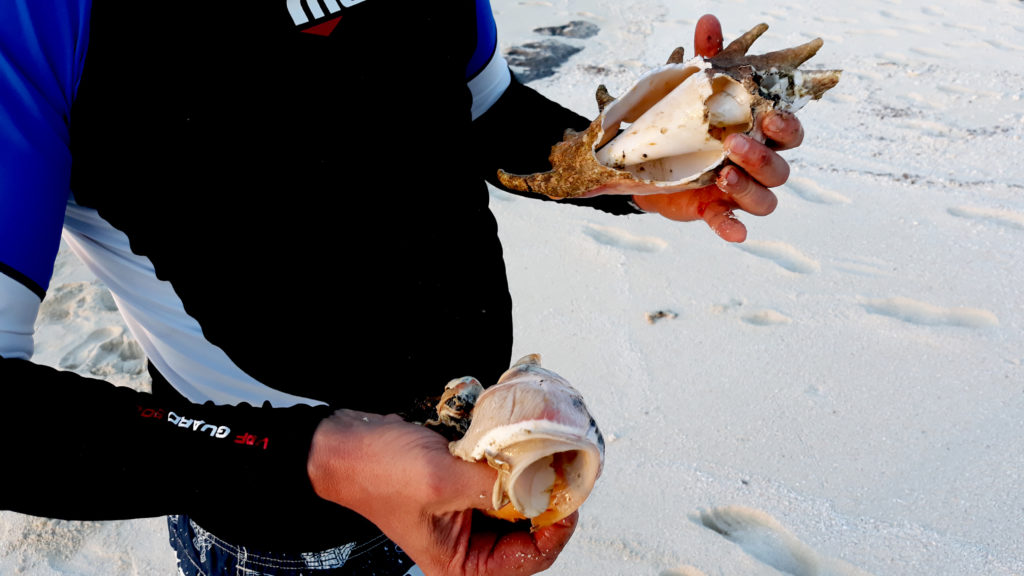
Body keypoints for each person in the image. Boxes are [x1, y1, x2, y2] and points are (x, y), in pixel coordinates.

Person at [0, 2, 802, 575]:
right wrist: (322, 462)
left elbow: (482, 111)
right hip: (278, 530)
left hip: (486, 455)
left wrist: (624, 167)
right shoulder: (38, 18)